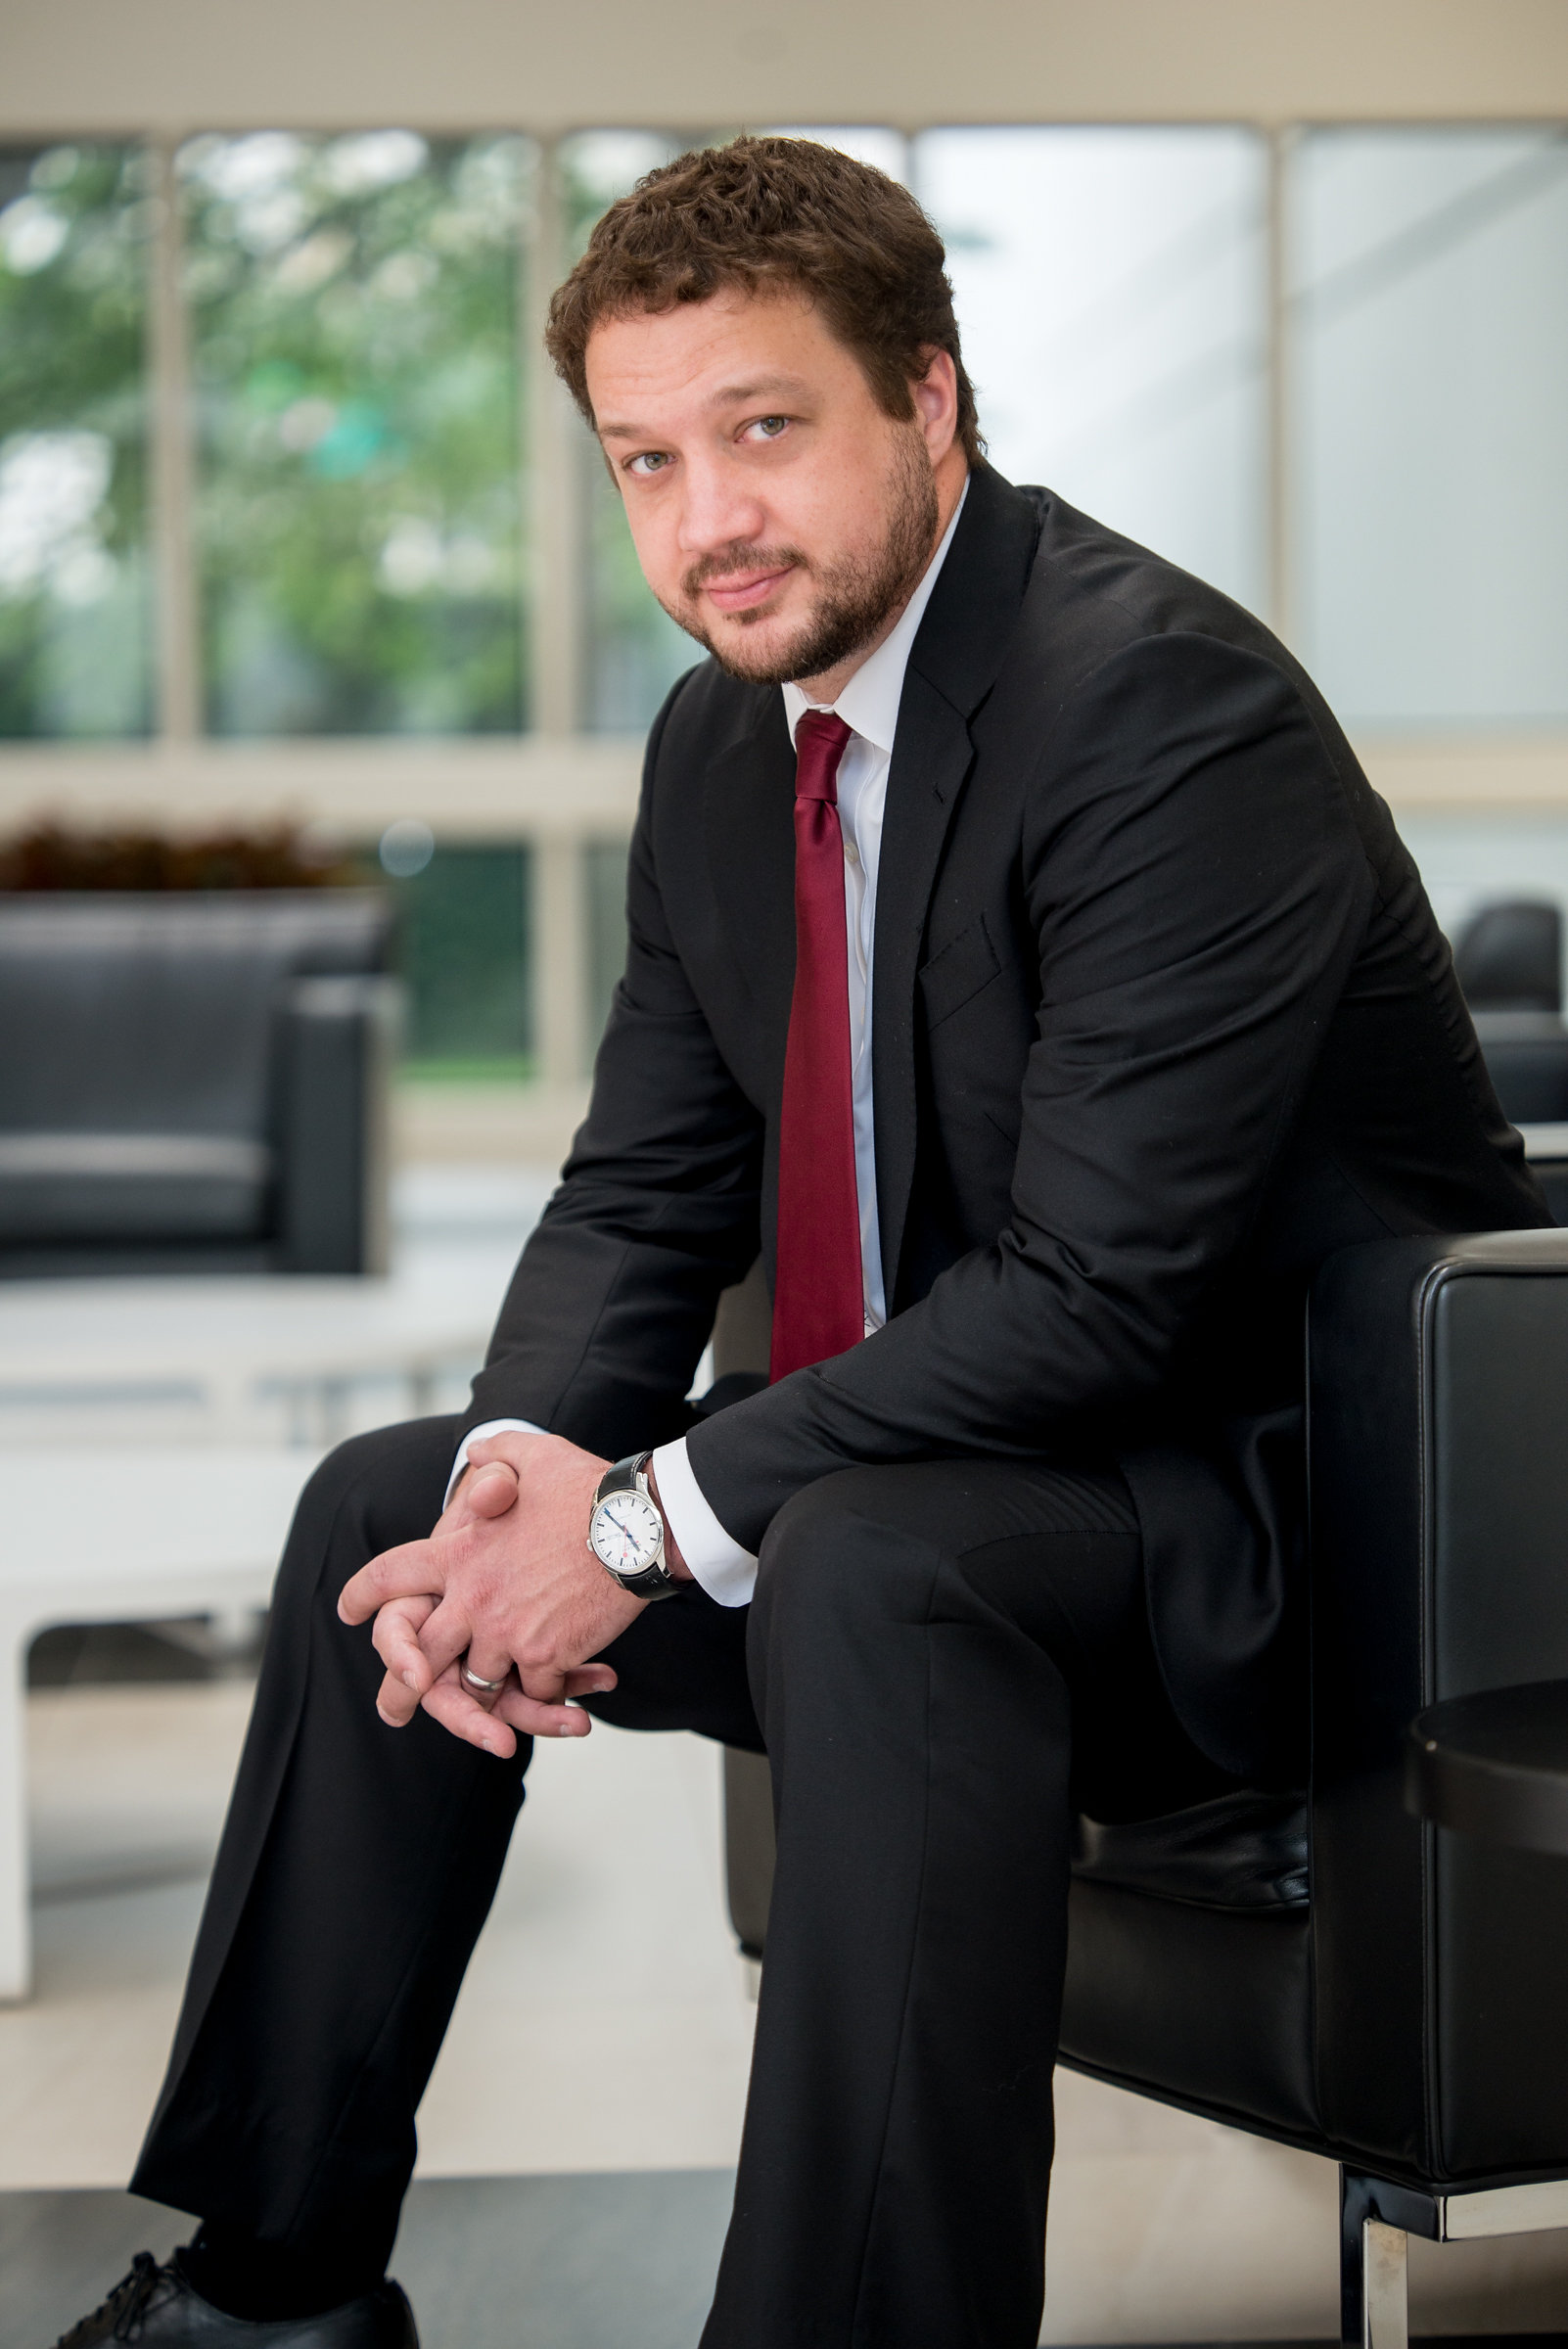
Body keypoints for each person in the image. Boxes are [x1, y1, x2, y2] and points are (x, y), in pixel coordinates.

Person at [57, 136, 1546, 2349]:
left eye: (763, 431)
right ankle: (266, 2294)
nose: (704, 523)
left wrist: (648, 1517)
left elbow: (1101, 1296)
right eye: (644, 461)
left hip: (1261, 1537)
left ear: (929, 404)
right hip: (953, 1478)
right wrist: (518, 1489)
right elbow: (644, 1189)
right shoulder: (715, 747)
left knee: (863, 1562)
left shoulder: (1157, 707)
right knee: (394, 1506)